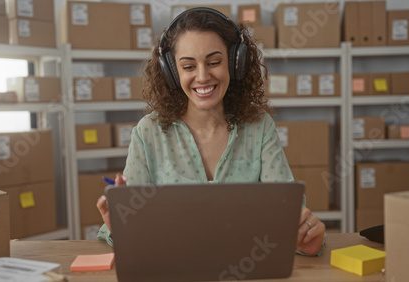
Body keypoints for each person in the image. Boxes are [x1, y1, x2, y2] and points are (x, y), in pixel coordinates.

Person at [96, 7, 326, 256]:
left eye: (214, 62)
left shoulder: (259, 128)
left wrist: (303, 238)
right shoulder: (148, 132)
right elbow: (134, 229)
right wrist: (120, 228)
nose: (203, 76)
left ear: (235, 63)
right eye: (188, 67)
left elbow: (289, 218)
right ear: (172, 73)